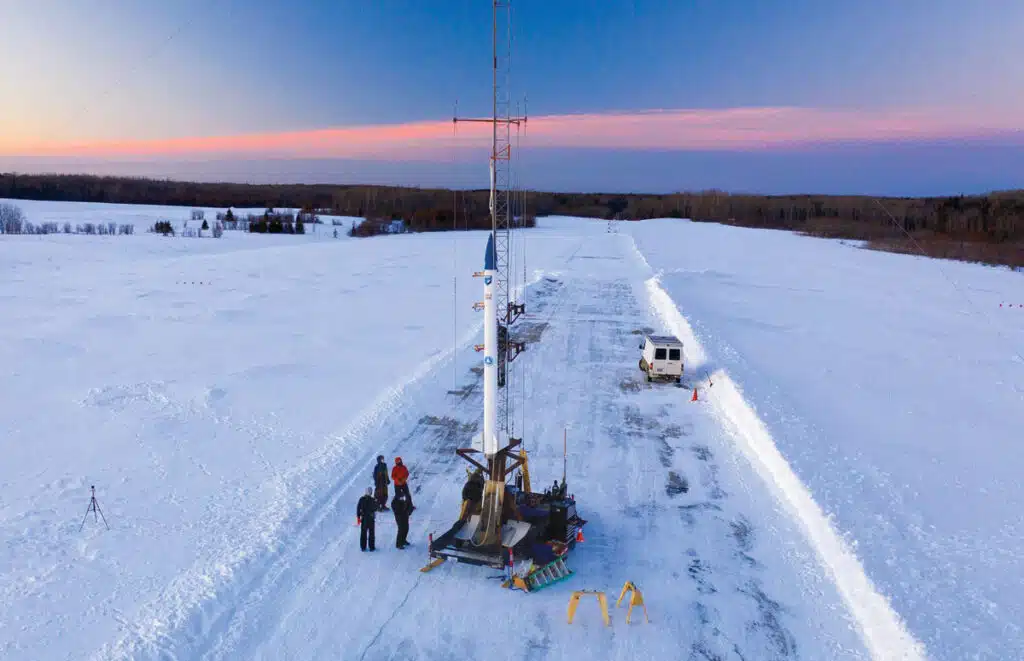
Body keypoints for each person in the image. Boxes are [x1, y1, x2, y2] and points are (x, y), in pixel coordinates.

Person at [356, 486, 377, 552]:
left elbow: (358, 509)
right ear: (371, 493)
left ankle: (363, 547)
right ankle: (371, 547)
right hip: (370, 519)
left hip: (364, 519)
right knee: (371, 533)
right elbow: (375, 509)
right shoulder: (373, 500)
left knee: (363, 533)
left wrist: (358, 518)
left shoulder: (361, 499)